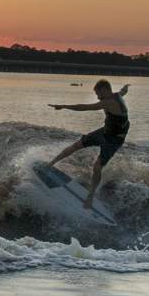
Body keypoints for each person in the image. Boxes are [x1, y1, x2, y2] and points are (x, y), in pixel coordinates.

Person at [47, 80, 130, 209]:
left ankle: (90, 197)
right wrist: (125, 87)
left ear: (104, 90)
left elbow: (84, 107)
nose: (97, 97)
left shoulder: (109, 102)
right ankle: (50, 164)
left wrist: (63, 106)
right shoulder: (116, 95)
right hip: (105, 131)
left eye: (98, 94)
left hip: (114, 139)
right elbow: (123, 92)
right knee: (77, 145)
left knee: (97, 166)